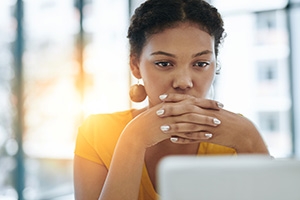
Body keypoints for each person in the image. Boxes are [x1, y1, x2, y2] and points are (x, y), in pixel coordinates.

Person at [73, 0, 270, 199]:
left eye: (201, 63)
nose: (183, 83)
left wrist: (251, 142)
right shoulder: (97, 133)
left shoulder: (239, 136)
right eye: (164, 63)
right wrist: (133, 140)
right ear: (135, 65)